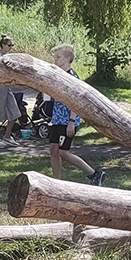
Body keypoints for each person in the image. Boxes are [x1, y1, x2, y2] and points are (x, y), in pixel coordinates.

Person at [48, 44, 106, 186]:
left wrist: (72, 121)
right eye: (55, 57)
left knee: (63, 152)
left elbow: (76, 101)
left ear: (67, 59)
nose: (55, 60)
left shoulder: (72, 77)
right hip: (57, 119)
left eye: (58, 57)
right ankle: (57, 182)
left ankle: (94, 174)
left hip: (67, 120)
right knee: (54, 150)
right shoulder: (58, 75)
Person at [0, 35, 21, 147]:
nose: (11, 47)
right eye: (9, 45)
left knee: (15, 113)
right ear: (3, 45)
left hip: (8, 87)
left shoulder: (9, 56)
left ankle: (7, 136)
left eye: (12, 45)